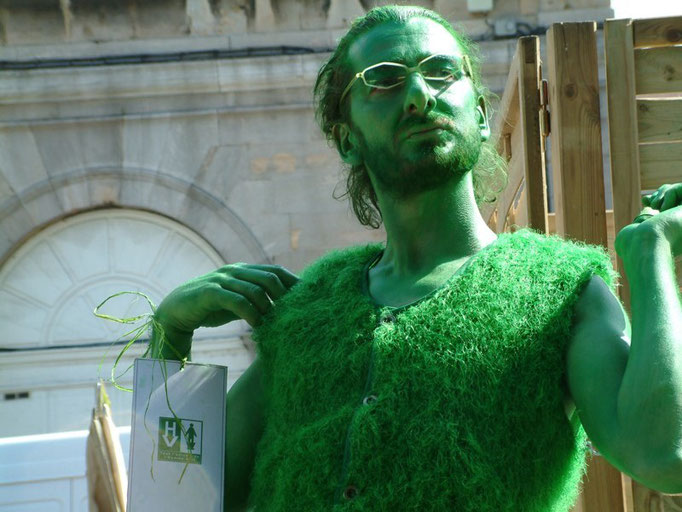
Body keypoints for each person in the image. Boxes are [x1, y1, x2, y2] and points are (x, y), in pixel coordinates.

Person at [151, 6, 682, 511]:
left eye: (442, 72)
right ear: (346, 139)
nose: (418, 96)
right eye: (383, 79)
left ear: (477, 112)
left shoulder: (562, 290)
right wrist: (169, 337)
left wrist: (651, 257)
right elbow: (179, 496)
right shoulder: (306, 312)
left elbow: (662, 455)